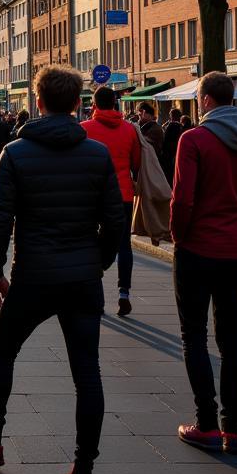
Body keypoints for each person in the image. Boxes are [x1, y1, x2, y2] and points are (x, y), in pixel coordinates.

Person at [0, 65, 124, 474]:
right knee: (87, 375)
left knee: (3, 351)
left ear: (37, 101)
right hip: (82, 279)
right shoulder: (96, 154)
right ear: (77, 104)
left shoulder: (15, 153)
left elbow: (0, 218)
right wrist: (99, 261)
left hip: (33, 275)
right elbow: (116, 221)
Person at [170, 71, 237, 455]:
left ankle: (206, 423)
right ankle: (232, 427)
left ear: (207, 100)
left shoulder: (193, 139)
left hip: (197, 249)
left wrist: (180, 236)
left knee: (192, 335)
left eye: (198, 98)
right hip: (234, 252)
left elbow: (183, 198)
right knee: (231, 338)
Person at [82, 86, 141, 317]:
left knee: (89, 242)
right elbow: (136, 163)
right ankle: (124, 292)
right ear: (115, 103)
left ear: (94, 105)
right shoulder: (129, 130)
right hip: (122, 195)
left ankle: (95, 293)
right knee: (124, 244)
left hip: (92, 196)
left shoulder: (84, 129)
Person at [161, 108, 185, 185]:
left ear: (172, 116)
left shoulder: (171, 126)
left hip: (169, 153)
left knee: (170, 172)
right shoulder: (181, 126)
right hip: (178, 150)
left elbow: (165, 140)